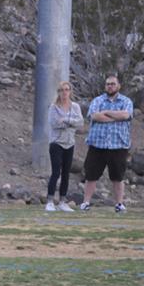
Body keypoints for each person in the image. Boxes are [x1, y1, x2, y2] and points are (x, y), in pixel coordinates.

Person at [81, 74, 133, 213]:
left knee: (118, 177)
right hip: (97, 145)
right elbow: (95, 116)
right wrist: (115, 117)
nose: (110, 86)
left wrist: (107, 112)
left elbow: (126, 115)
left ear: (118, 86)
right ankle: (86, 203)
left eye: (113, 84)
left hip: (118, 145)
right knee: (91, 175)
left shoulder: (126, 101)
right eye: (108, 84)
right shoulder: (97, 100)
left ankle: (119, 204)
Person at [46, 81, 83, 212]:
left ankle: (62, 201)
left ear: (70, 91)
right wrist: (71, 123)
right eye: (61, 90)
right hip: (57, 143)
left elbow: (80, 123)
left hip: (70, 143)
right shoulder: (53, 107)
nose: (64, 92)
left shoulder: (75, 107)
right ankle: (50, 201)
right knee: (56, 172)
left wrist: (66, 120)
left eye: (67, 89)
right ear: (58, 92)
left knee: (66, 173)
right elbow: (54, 124)